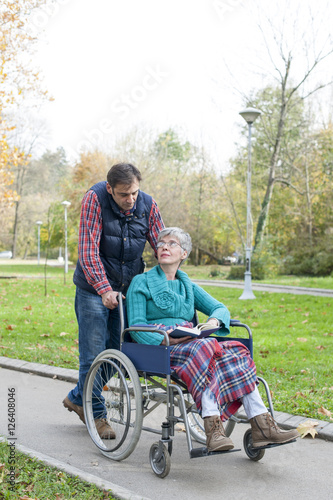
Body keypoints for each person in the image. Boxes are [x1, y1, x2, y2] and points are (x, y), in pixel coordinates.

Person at [126, 227, 299, 452]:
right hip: (160, 347)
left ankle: (261, 425)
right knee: (206, 348)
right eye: (161, 243)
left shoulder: (187, 285)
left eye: (172, 243)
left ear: (184, 253)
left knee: (237, 351)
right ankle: (213, 429)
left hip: (193, 342)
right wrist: (165, 338)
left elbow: (219, 307)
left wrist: (215, 322)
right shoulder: (141, 282)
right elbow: (136, 326)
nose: (164, 247)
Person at [63, 162, 164, 438]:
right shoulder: (94, 199)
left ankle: (77, 396)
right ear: (110, 189)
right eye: (123, 195)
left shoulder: (147, 205)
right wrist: (104, 289)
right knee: (93, 355)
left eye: (134, 193)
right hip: (93, 289)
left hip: (127, 289)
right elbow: (88, 251)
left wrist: (173, 266)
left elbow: (160, 245)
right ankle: (96, 416)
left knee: (119, 354)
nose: (130, 200)